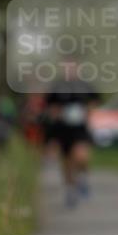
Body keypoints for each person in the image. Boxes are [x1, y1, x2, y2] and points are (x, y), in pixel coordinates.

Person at [43, 61, 101, 209]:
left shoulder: (84, 86)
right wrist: (57, 114)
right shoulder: (57, 87)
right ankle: (70, 190)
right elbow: (49, 106)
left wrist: (88, 112)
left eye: (72, 68)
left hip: (80, 128)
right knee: (67, 162)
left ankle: (82, 178)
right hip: (63, 130)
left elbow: (95, 101)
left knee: (81, 156)